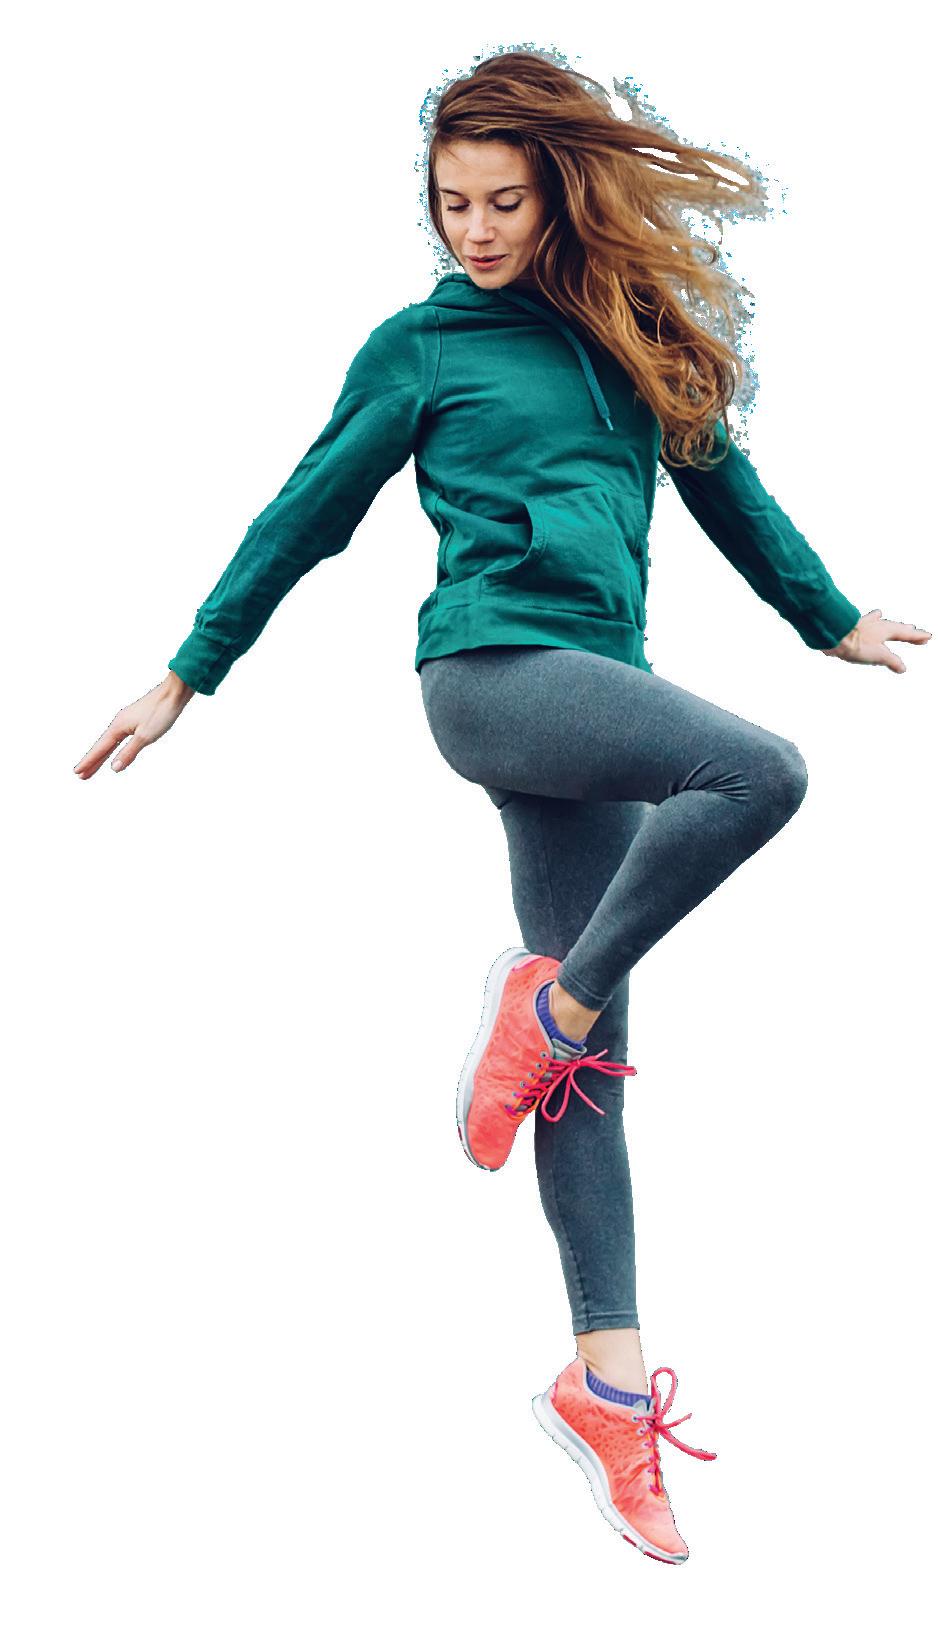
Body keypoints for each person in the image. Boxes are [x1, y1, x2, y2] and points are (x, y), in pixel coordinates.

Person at [72, 51, 930, 1564]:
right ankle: (550, 1000)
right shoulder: (421, 348)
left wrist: (832, 618)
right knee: (757, 774)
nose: (472, 229)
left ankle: (607, 1385)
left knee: (586, 1077)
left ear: (560, 199)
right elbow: (305, 513)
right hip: (487, 674)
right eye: (451, 203)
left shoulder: (633, 338)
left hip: (595, 692)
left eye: (502, 203)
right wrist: (188, 669)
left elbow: (726, 488)